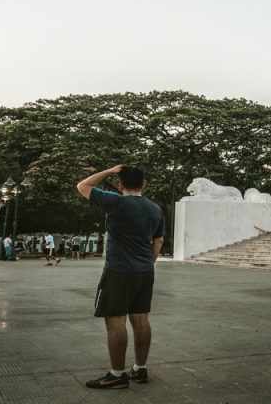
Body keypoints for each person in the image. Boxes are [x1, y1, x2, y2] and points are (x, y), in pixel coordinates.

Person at [76, 164, 165, 390]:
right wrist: (148, 263)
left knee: (115, 322)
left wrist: (109, 170)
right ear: (144, 184)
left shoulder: (114, 202)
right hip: (145, 271)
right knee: (141, 320)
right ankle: (140, 368)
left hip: (118, 271)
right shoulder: (155, 209)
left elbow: (83, 185)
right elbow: (158, 241)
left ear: (120, 185)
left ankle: (117, 374)